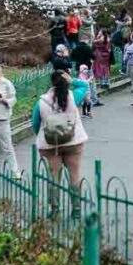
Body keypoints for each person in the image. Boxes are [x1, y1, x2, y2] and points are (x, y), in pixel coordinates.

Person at [32, 70, 89, 220]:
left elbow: (36, 124)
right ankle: (76, 210)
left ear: (51, 83)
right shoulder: (73, 97)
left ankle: (55, 209)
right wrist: (71, 80)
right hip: (73, 142)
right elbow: (84, 85)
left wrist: (43, 135)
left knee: (53, 177)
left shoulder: (41, 102)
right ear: (65, 82)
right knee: (74, 175)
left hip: (51, 145)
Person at [71, 38, 97, 108]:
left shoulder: (75, 48)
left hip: (78, 69)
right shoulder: (88, 48)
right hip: (87, 68)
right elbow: (94, 57)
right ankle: (93, 99)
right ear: (86, 40)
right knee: (91, 83)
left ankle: (80, 100)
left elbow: (72, 58)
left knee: (79, 84)